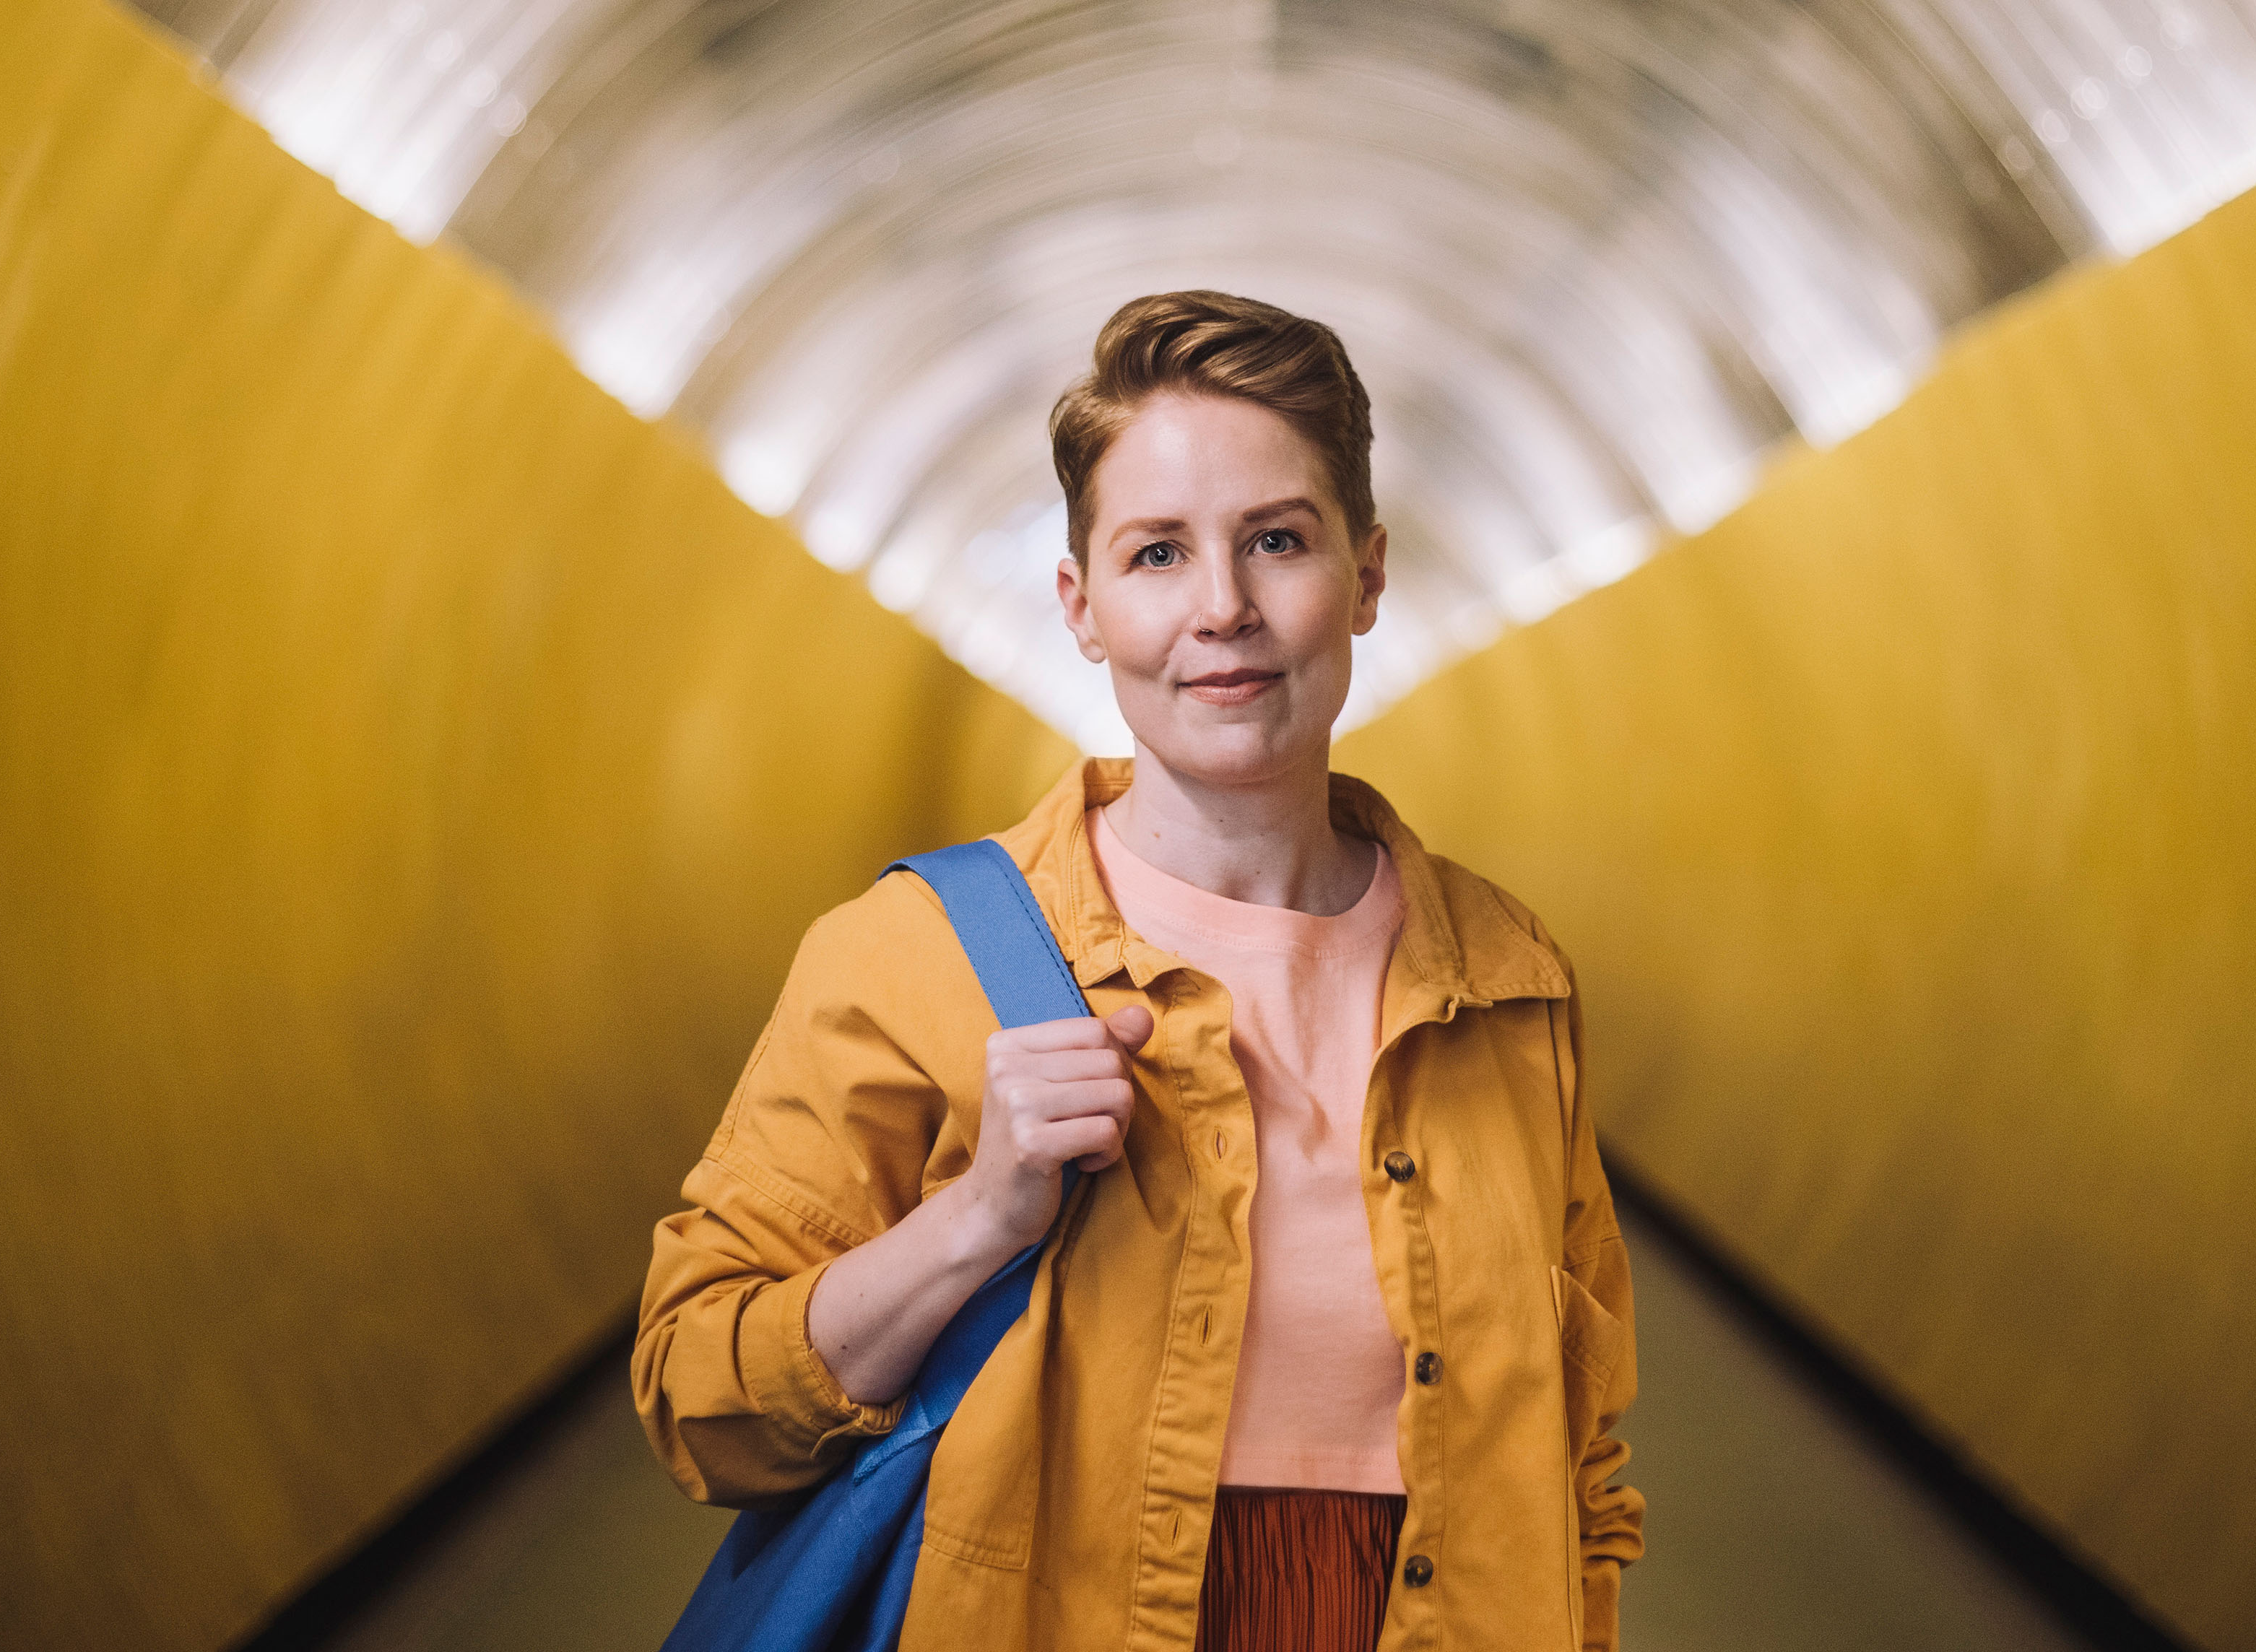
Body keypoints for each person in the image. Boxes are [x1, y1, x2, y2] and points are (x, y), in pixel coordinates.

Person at [635, 290, 1644, 1651]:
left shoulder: (1508, 986)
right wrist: (977, 1217)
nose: (1221, 609)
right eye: (1158, 553)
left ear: (1368, 575)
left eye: (1277, 541)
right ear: (1083, 604)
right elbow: (701, 1399)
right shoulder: (910, 959)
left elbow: (1586, 1461)